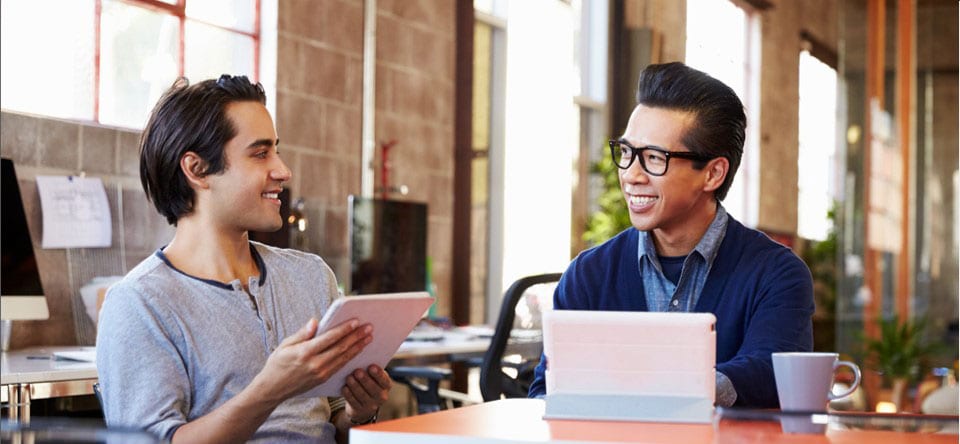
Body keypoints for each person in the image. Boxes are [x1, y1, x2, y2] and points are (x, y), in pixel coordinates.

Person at [96, 75, 391, 443]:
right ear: (197, 169)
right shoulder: (140, 303)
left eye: (276, 151)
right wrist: (269, 389)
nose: (283, 171)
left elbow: (334, 423)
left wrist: (360, 413)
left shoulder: (311, 275)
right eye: (260, 153)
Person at [528, 62, 814, 408]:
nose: (631, 175)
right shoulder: (589, 273)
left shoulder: (777, 273)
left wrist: (644, 389)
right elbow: (547, 390)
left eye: (653, 158)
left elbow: (769, 372)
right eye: (627, 153)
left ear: (712, 174)